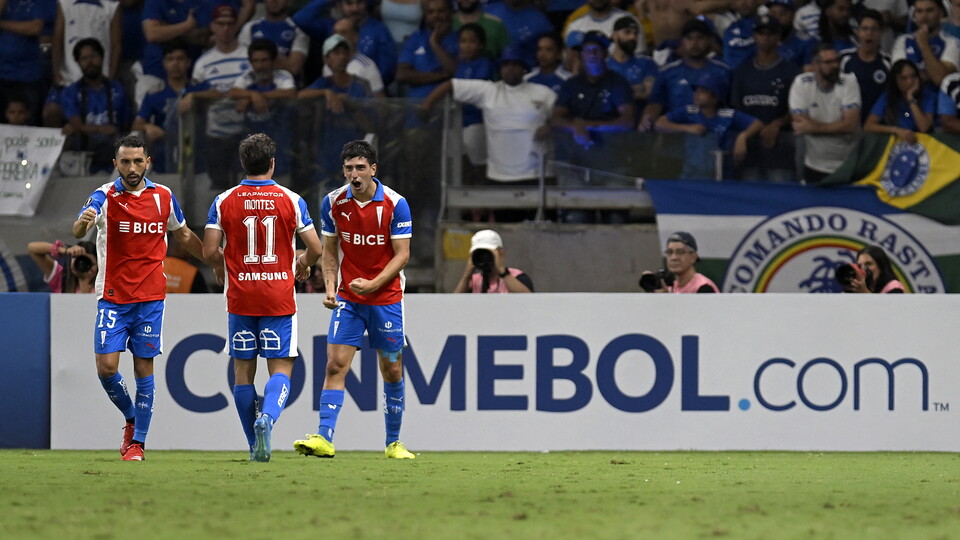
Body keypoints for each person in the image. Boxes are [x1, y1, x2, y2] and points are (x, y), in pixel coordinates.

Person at [72, 133, 216, 461]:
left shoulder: (163, 197)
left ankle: (137, 443)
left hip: (151, 298)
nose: (132, 167)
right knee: (107, 368)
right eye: (125, 161)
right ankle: (131, 417)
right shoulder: (104, 196)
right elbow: (78, 230)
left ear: (148, 162)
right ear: (115, 164)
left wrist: (214, 258)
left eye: (138, 161)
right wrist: (82, 226)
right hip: (113, 297)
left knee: (143, 369)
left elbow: (182, 233)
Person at [203, 133, 323, 462]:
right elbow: (316, 248)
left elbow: (210, 250)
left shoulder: (224, 200)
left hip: (241, 297)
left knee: (243, 373)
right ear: (272, 163)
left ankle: (252, 445)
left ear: (243, 163)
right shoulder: (291, 199)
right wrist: (303, 265)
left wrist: (219, 268)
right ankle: (266, 419)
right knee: (281, 369)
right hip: (278, 298)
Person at [293, 139, 416, 460]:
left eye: (361, 167)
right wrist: (331, 288)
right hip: (349, 298)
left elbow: (403, 255)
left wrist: (373, 282)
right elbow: (329, 250)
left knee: (392, 370)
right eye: (349, 168)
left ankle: (393, 443)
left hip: (386, 298)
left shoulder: (395, 203)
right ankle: (324, 437)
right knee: (335, 365)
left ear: (373, 170)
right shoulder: (333, 203)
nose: (355, 174)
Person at [730, 14, 800, 182]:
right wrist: (748, 132)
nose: (765, 38)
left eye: (770, 33)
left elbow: (798, 108)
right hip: (750, 150)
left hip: (781, 149)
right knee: (750, 202)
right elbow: (736, 108)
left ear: (778, 36)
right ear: (754, 36)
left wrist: (777, 123)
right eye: (761, 33)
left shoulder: (791, 71)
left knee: (782, 200)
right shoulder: (743, 71)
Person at [655, 71, 762, 180]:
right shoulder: (689, 111)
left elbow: (757, 124)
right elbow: (660, 124)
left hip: (720, 173)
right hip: (690, 172)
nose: (696, 94)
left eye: (703, 91)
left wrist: (742, 137)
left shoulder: (727, 115)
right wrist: (687, 128)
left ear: (715, 97)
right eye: (696, 91)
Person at [639, 18, 732, 131]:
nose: (695, 43)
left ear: (709, 40)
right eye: (689, 38)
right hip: (676, 134)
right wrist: (647, 119)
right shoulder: (668, 72)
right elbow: (656, 103)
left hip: (714, 133)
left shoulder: (723, 71)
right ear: (682, 41)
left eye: (700, 38)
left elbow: (732, 106)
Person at [788, 43, 861, 184]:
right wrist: (838, 126)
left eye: (836, 61)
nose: (835, 66)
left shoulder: (849, 82)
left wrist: (813, 128)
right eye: (828, 62)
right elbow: (800, 124)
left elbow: (850, 125)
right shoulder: (802, 84)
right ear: (815, 65)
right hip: (813, 164)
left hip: (847, 165)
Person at [60, 38, 131, 173]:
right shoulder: (70, 92)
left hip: (115, 153)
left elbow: (126, 125)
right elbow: (75, 124)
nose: (90, 62)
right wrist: (102, 129)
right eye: (84, 58)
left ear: (102, 57)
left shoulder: (118, 90)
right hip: (83, 154)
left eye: (93, 56)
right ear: (78, 62)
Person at [132, 38, 193, 173]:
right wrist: (148, 126)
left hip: (197, 151)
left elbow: (217, 94)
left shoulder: (198, 88)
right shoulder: (155, 94)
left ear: (188, 62)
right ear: (164, 63)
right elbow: (136, 124)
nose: (175, 63)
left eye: (180, 59)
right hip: (166, 155)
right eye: (170, 59)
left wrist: (195, 97)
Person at [891, 0, 960, 87]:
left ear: (941, 12)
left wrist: (923, 44)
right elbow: (900, 78)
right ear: (914, 15)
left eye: (929, 10)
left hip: (937, 98)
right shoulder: (902, 41)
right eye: (919, 11)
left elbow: (940, 79)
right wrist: (930, 73)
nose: (924, 16)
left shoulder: (952, 43)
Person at [863, 59, 935, 143]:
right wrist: (896, 130)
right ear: (896, 81)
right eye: (903, 78)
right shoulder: (887, 97)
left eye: (913, 76)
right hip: (900, 145)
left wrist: (911, 99)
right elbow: (868, 126)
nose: (910, 81)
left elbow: (924, 128)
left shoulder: (928, 96)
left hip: (927, 144)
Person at [840, 9, 891, 123]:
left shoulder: (888, 63)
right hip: (847, 124)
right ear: (858, 32)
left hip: (877, 126)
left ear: (881, 32)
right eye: (865, 29)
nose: (869, 33)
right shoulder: (844, 59)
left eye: (874, 29)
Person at [237, 0, 309, 79]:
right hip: (255, 85)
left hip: (288, 87)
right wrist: (281, 60)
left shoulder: (299, 29)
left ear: (289, 1)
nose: (274, 1)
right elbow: (243, 64)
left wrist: (260, 57)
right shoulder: (250, 27)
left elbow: (294, 68)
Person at [453, 229, 533, 293]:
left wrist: (503, 272)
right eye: (480, 254)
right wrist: (466, 276)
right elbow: (453, 304)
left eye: (488, 253)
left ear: (500, 253)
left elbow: (528, 299)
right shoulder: (473, 281)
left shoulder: (517, 276)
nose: (484, 258)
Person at [641, 231, 719, 293]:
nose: (674, 257)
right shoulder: (670, 287)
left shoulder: (703, 287)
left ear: (693, 257)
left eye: (680, 252)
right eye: (669, 252)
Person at [26, 239, 97, 293]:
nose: (82, 264)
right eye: (79, 260)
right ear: (71, 260)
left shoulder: (103, 287)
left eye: (88, 263)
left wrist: (84, 280)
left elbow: (85, 307)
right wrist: (64, 250)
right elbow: (32, 248)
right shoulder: (61, 278)